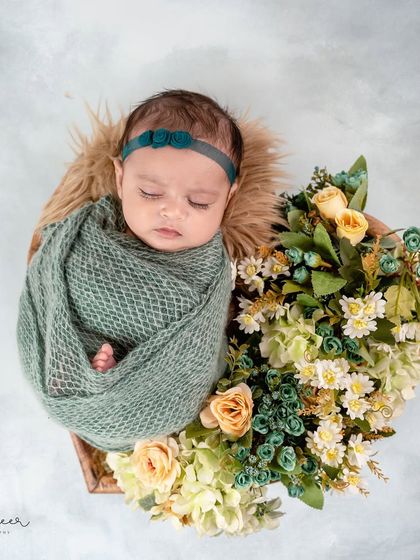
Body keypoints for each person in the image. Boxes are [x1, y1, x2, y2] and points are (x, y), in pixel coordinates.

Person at [88, 89, 242, 373]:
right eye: (150, 192)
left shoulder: (211, 268)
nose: (173, 212)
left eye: (199, 201)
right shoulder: (91, 234)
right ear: (120, 180)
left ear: (228, 198)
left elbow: (202, 350)